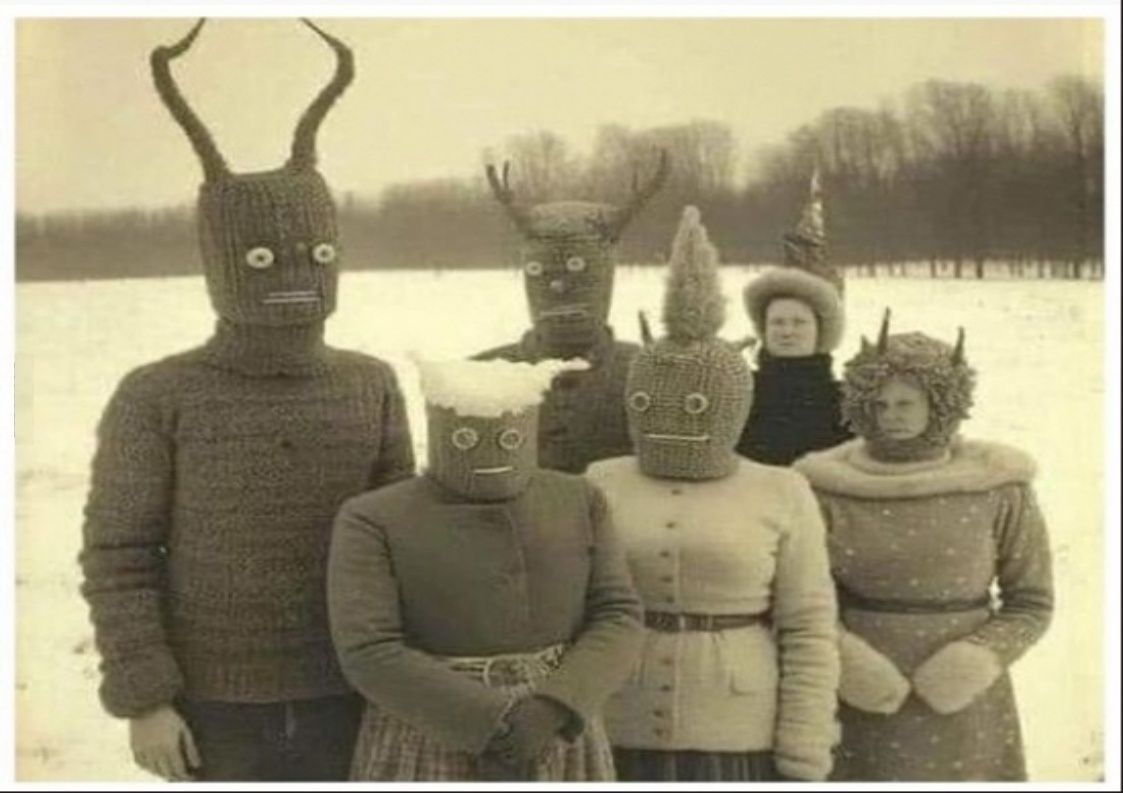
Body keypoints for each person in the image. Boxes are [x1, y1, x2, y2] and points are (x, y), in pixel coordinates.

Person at [78, 19, 414, 781]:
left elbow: (401, 543)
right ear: (221, 262)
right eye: (261, 258)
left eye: (315, 253)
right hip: (211, 713)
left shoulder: (370, 382)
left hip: (354, 698)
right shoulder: (158, 395)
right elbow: (119, 554)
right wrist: (145, 698)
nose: (294, 275)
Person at [586, 207, 840, 782]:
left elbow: (808, 628)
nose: (674, 418)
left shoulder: (781, 490)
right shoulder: (600, 482)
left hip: (737, 735)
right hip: (614, 727)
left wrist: (804, 746)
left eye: (695, 403)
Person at [328, 357, 644, 781]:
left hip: (556, 725)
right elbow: (368, 648)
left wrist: (554, 706)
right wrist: (488, 719)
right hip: (428, 727)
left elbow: (618, 614)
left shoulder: (579, 500)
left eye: (509, 437)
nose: (489, 452)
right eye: (465, 438)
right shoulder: (374, 517)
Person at [793, 311, 1054, 781]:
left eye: (906, 403)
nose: (891, 415)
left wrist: (975, 660)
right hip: (856, 699)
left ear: (941, 402)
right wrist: (848, 664)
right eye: (880, 403)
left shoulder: (999, 487)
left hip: (969, 705)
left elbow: (1032, 602)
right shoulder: (823, 489)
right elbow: (800, 598)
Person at [474, 153, 669, 473]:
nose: (558, 287)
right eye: (540, 272)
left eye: (578, 271)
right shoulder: (483, 376)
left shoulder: (646, 375)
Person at [738, 170, 853, 465]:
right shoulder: (738, 393)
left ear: (821, 330)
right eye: (777, 322)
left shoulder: (847, 402)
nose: (787, 331)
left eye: (799, 322)